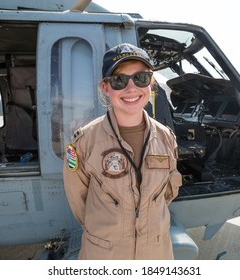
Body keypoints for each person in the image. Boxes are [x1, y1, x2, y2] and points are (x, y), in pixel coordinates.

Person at [63, 43, 182, 260]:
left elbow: (168, 193)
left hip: (156, 253)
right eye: (119, 80)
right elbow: (79, 201)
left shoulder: (166, 138)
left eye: (141, 78)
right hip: (105, 254)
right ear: (106, 88)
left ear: (151, 83)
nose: (131, 88)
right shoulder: (84, 142)